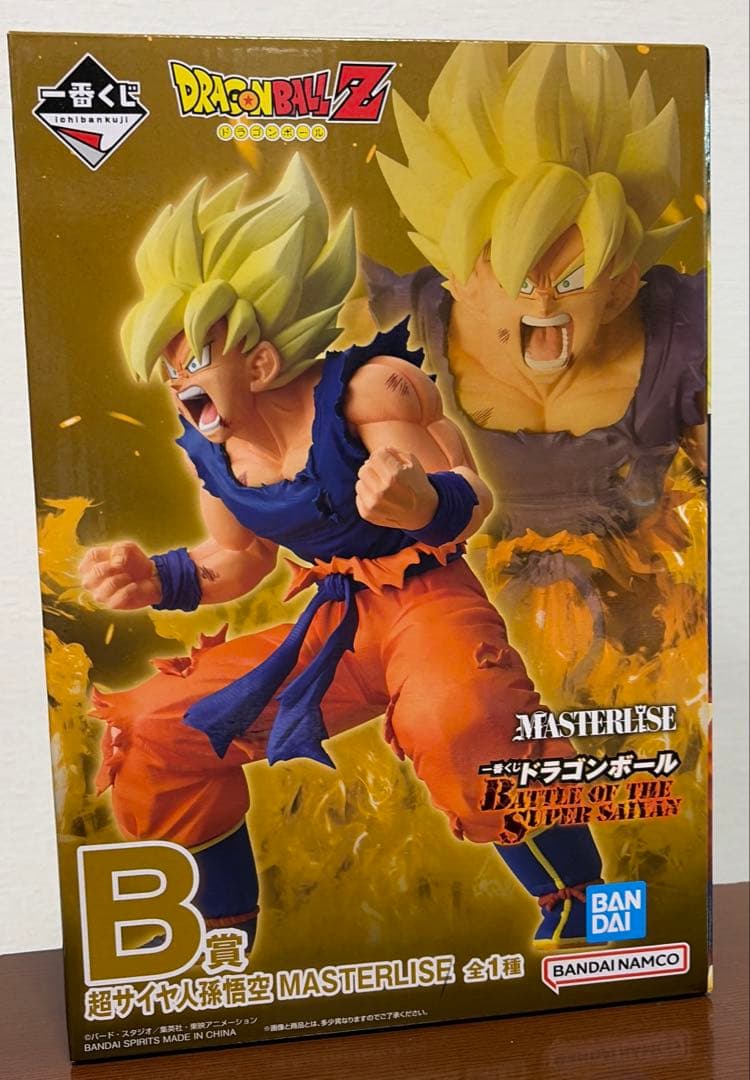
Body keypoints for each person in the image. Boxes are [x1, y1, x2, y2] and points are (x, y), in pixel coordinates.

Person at [81, 155, 603, 951]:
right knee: (153, 727)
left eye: (192, 362)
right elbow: (238, 560)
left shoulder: (368, 393)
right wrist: (157, 578)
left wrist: (422, 502)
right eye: (168, 368)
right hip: (336, 625)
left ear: (259, 361)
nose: (178, 383)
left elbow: (467, 494)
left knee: (460, 717)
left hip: (428, 601)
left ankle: (582, 899)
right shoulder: (215, 452)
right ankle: (222, 933)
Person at [375, 42, 707, 699]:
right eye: (518, 278)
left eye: (574, 277)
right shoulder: (394, 322)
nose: (545, 301)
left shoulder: (692, 329)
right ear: (464, 282)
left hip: (648, 644)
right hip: (458, 639)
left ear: (620, 286)